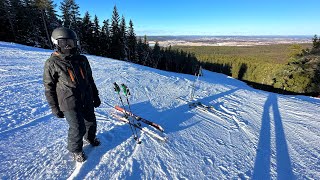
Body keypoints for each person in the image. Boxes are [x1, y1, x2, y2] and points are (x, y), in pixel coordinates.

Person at [43, 27, 101, 162]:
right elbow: (49, 87)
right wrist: (54, 107)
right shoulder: (52, 63)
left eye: (71, 42)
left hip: (86, 98)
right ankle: (76, 150)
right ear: (56, 43)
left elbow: (90, 79)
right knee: (77, 127)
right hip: (68, 101)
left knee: (91, 122)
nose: (69, 46)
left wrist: (95, 95)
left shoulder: (82, 59)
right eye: (64, 43)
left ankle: (90, 138)